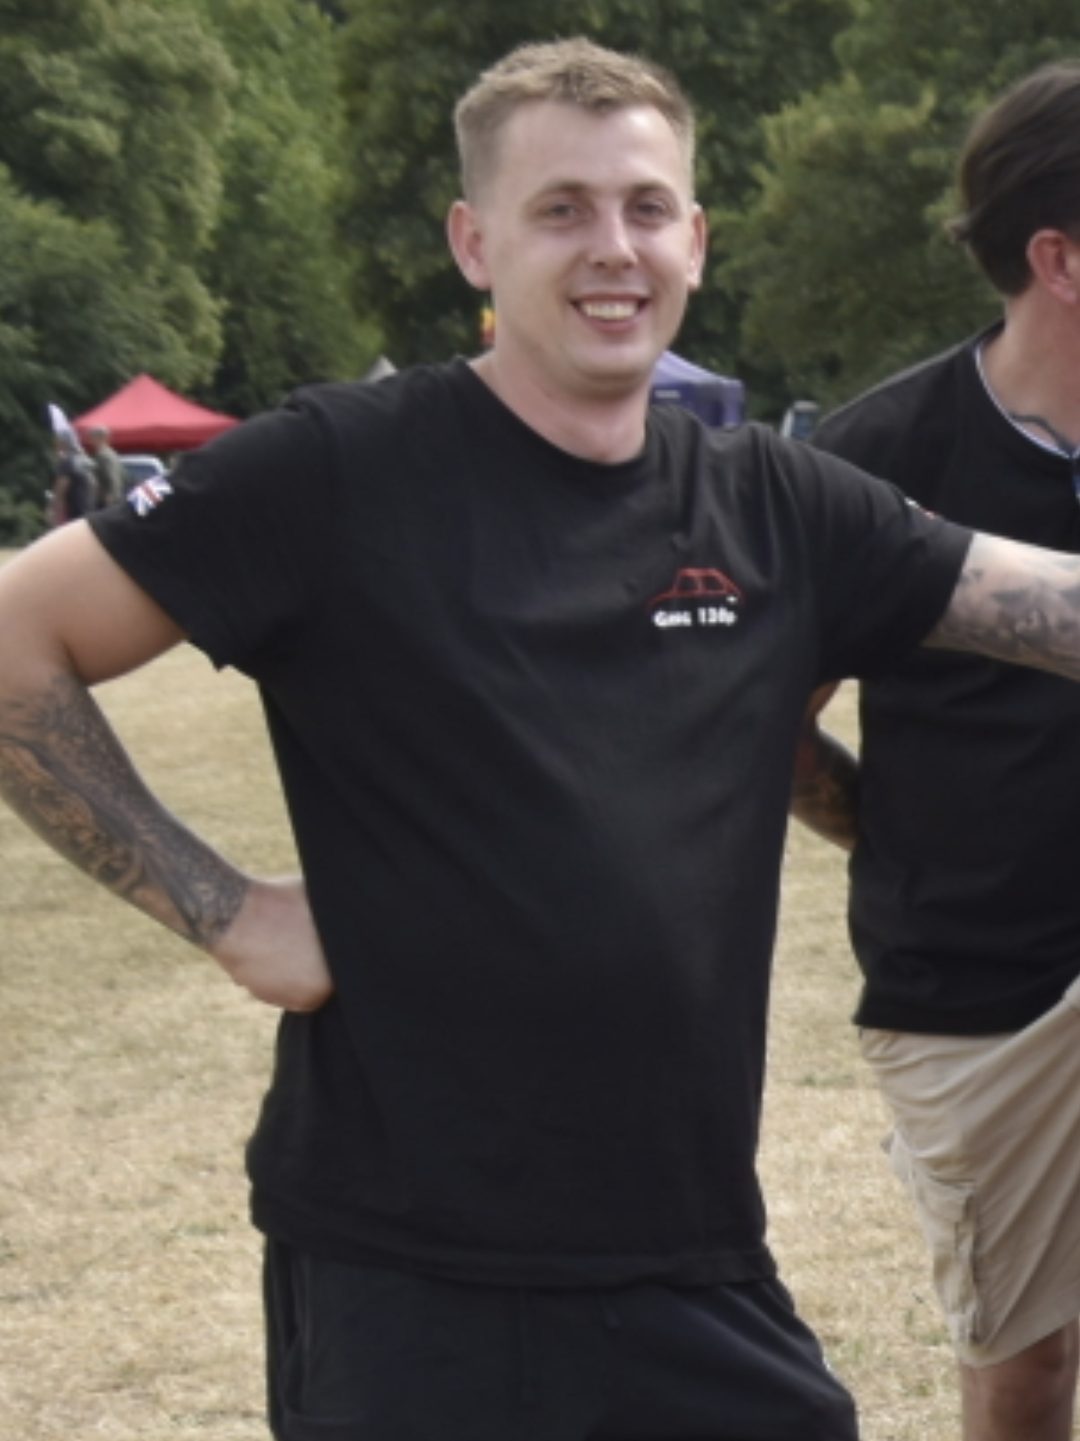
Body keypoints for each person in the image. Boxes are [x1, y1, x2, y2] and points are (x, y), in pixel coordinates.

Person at [2, 39, 1080, 1441]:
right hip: (408, 1266)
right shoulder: (338, 469)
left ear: (695, 241)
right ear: (475, 241)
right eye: (560, 209)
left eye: (646, 208)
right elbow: (19, 633)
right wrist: (220, 907)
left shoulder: (779, 504)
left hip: (691, 1253)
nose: (612, 247)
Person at [791, 61, 1080, 1441]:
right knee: (1027, 1366)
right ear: (1060, 260)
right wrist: (891, 830)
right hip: (981, 990)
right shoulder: (877, 460)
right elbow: (769, 715)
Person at [48, 433, 97, 526]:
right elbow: (95, 485)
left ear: (62, 443)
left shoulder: (66, 462)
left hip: (73, 511)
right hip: (89, 510)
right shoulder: (86, 461)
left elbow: (60, 490)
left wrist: (54, 513)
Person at [85, 424, 126, 507]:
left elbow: (112, 477)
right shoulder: (112, 454)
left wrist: (110, 497)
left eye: (93, 437)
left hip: (106, 500)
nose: (90, 440)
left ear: (101, 438)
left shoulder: (103, 455)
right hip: (112, 498)